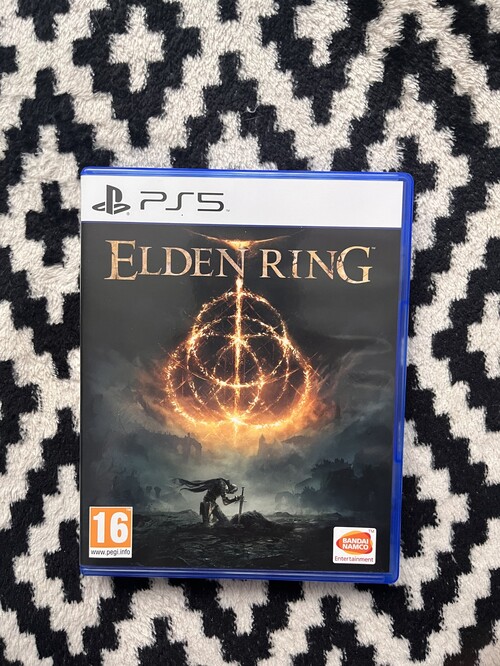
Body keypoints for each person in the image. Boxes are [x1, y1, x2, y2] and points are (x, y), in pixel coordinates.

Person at [174, 478, 242, 525]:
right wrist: (236, 498)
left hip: (208, 502)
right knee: (222, 523)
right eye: (231, 492)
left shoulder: (221, 482)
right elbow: (225, 502)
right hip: (210, 504)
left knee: (213, 522)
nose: (228, 493)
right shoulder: (223, 486)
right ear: (231, 489)